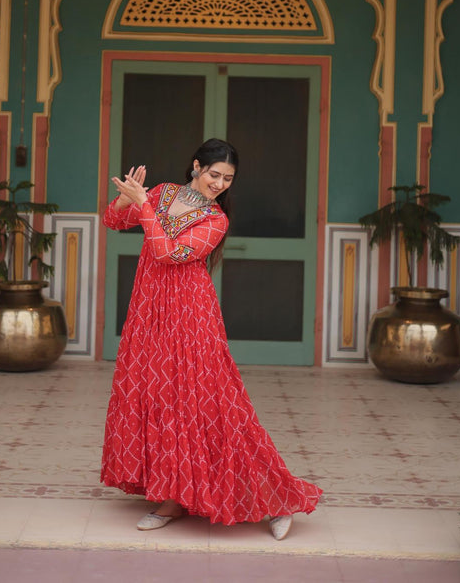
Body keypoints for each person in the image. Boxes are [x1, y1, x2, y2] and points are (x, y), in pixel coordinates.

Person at [101, 138, 322, 540]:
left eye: (228, 179)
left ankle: (276, 500)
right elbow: (113, 222)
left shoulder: (215, 220)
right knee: (159, 397)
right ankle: (172, 496)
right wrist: (125, 199)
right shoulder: (164, 193)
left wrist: (144, 206)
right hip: (149, 311)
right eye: (214, 174)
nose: (219, 183)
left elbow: (167, 252)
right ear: (196, 167)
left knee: (211, 406)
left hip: (191, 317)